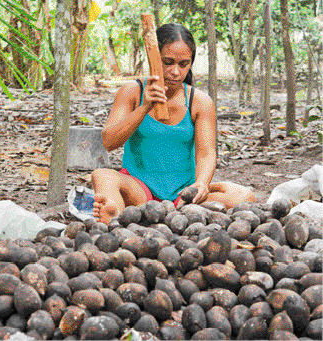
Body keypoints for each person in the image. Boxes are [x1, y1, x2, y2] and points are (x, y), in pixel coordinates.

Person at [91, 22, 256, 224]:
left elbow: (206, 154)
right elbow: (109, 142)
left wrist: (202, 184)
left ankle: (158, 216)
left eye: (183, 64)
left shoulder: (199, 101)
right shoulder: (132, 91)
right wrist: (145, 107)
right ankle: (114, 217)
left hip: (183, 196)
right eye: (167, 62)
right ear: (154, 59)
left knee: (243, 195)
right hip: (139, 191)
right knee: (103, 176)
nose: (175, 72)